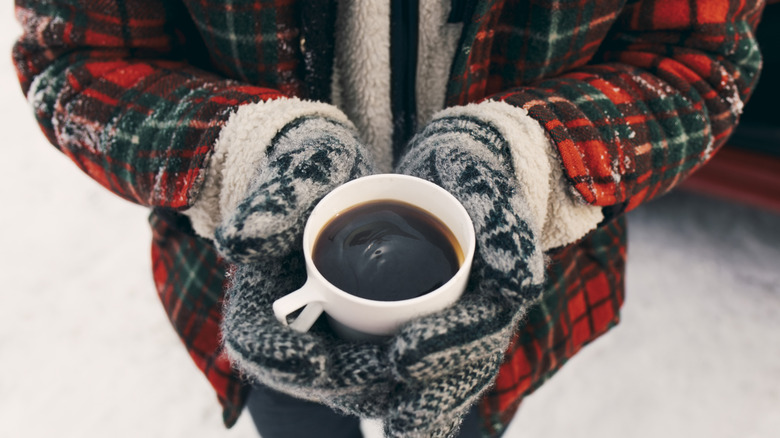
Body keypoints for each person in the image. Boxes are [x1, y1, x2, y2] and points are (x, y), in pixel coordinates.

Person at [12, 0, 764, 437]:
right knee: (300, 425)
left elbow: (703, 61)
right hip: (266, 295)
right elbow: (75, 55)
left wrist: (520, 160)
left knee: (460, 423)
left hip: (499, 304)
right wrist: (248, 161)